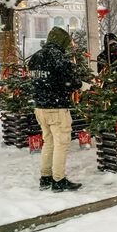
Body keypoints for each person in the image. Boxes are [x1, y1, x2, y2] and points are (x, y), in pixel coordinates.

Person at [28, 27, 83, 192]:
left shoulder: (36, 57)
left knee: (49, 142)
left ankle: (45, 178)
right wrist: (81, 85)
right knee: (61, 143)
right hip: (56, 108)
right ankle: (58, 180)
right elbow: (69, 83)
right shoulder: (59, 58)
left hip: (40, 107)